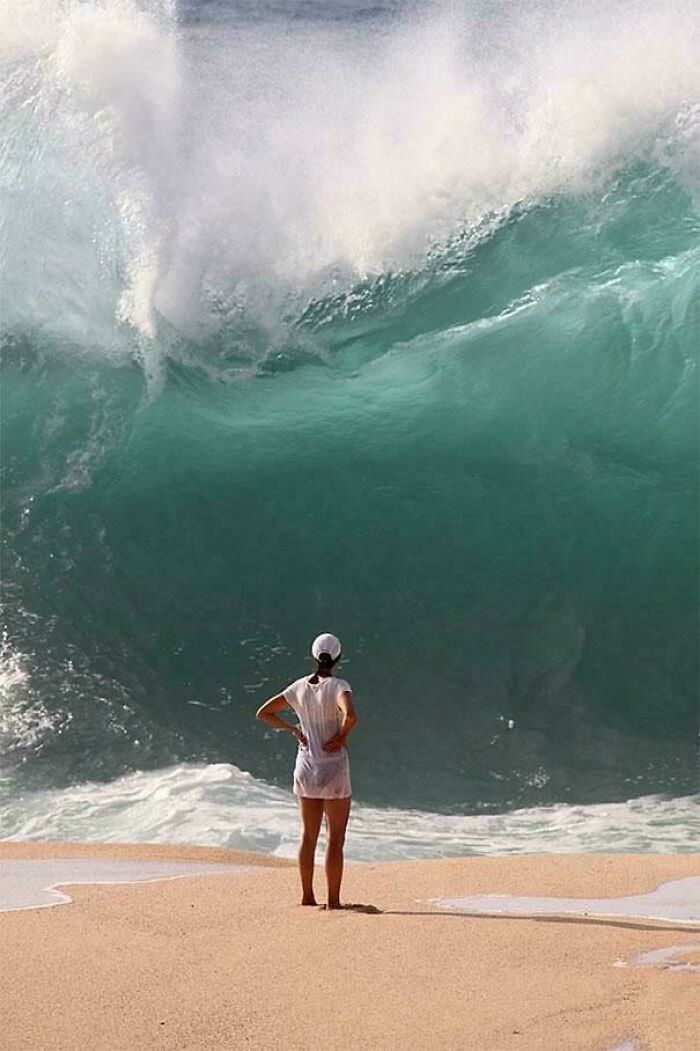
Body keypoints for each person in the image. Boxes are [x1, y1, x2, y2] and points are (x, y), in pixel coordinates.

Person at [255, 632, 357, 909]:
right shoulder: (339, 685)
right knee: (335, 839)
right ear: (338, 657)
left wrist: (293, 729)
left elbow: (263, 712)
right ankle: (333, 901)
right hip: (333, 768)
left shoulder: (298, 688)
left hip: (305, 766)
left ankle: (307, 897)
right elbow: (351, 715)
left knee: (308, 836)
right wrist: (342, 735)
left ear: (314, 657)